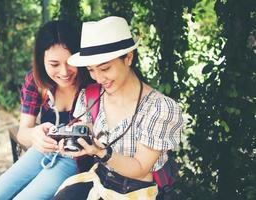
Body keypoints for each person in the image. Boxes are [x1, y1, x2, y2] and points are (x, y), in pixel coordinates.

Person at [52, 16, 184, 200]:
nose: (98, 78)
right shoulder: (91, 96)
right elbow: (87, 134)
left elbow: (139, 169)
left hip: (137, 191)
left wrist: (101, 152)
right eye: (91, 70)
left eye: (105, 68)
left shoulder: (159, 108)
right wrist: (70, 139)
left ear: (128, 58)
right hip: (99, 181)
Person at [0, 20, 94, 200]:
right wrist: (34, 135)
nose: (64, 71)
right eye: (54, 64)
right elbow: (23, 132)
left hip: (75, 159)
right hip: (43, 149)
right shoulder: (36, 81)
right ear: (41, 60)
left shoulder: (93, 84)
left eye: (70, 62)